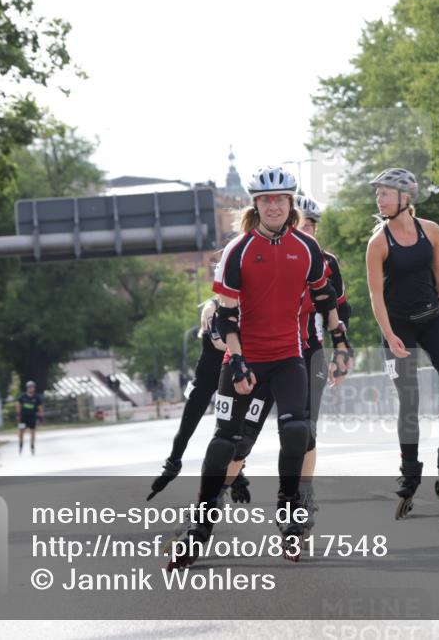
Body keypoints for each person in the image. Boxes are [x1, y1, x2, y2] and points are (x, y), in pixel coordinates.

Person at [167, 166, 351, 569]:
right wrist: (237, 362)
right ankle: (201, 522)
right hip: (245, 360)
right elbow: (225, 316)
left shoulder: (307, 249)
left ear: (289, 205)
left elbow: (326, 301)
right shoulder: (238, 251)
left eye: (280, 199)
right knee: (225, 444)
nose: (273, 206)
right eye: (266, 200)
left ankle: (289, 510)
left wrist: (341, 343)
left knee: (298, 431)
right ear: (256, 205)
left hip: (289, 357)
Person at [216, 193, 352, 528]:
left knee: (302, 432)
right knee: (243, 438)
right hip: (262, 354)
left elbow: (338, 310)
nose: (304, 230)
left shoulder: (323, 261)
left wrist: (341, 352)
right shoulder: (256, 250)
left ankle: (299, 498)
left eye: (310, 225)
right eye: (300, 224)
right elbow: (226, 301)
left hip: (305, 354)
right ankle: (213, 500)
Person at [364, 167, 439, 518]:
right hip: (397, 328)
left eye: (384, 193)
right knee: (409, 398)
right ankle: (409, 471)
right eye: (377, 193)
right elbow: (376, 295)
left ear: (405, 197)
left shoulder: (431, 230)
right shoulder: (378, 242)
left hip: (432, 318)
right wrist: (389, 333)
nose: (378, 199)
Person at [147, 297, 252, 501]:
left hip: (229, 375)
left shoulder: (247, 305)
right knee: (187, 427)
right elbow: (221, 343)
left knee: (231, 431)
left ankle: (236, 476)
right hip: (207, 376)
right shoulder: (213, 308)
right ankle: (173, 464)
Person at [16, 381, 43, 455]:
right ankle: (21, 445)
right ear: (27, 388)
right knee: (21, 432)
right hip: (23, 418)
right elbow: (18, 404)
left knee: (33, 432)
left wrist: (41, 416)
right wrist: (18, 414)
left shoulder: (36, 398)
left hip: (32, 417)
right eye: (30, 387)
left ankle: (32, 446)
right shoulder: (23, 397)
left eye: (33, 387)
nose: (31, 389)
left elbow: (40, 407)